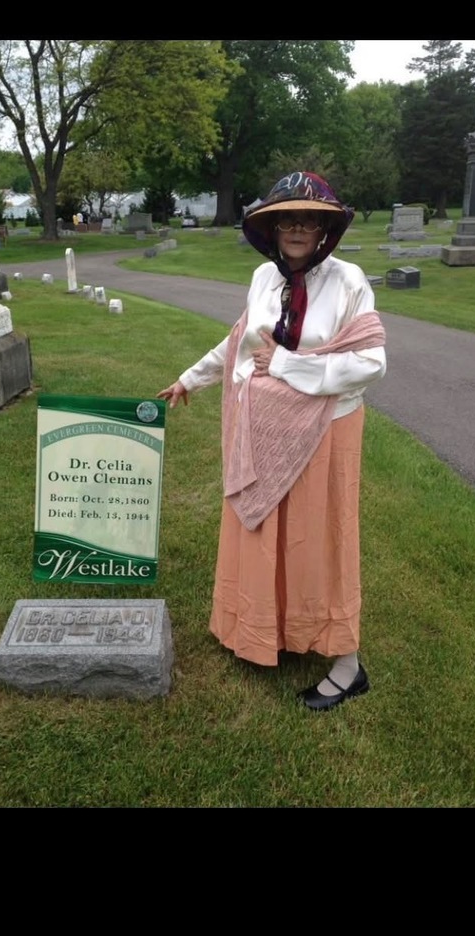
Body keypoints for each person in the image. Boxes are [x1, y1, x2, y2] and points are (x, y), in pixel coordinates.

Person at [157, 171, 387, 711]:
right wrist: (191, 378)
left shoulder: (349, 281)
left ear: (325, 229)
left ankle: (347, 664)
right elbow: (240, 341)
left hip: (325, 434)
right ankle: (268, 629)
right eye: (288, 219)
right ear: (274, 227)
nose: (298, 228)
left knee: (321, 540)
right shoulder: (264, 278)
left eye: (309, 220)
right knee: (265, 534)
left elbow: (370, 362)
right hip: (260, 432)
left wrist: (287, 365)